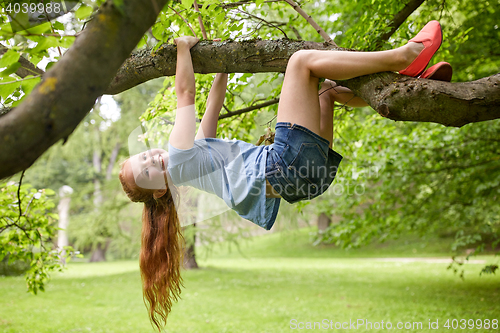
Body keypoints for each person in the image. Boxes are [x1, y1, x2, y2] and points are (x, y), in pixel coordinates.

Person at [119, 21, 443, 329]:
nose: (153, 160)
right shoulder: (178, 159)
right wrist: (183, 49)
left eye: (145, 156)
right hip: (284, 166)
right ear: (161, 190)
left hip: (305, 180)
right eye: (148, 172)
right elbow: (185, 94)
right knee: (301, 62)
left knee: (327, 91)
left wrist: (221, 65)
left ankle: (408, 90)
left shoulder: (193, 158)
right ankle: (405, 56)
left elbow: (212, 108)